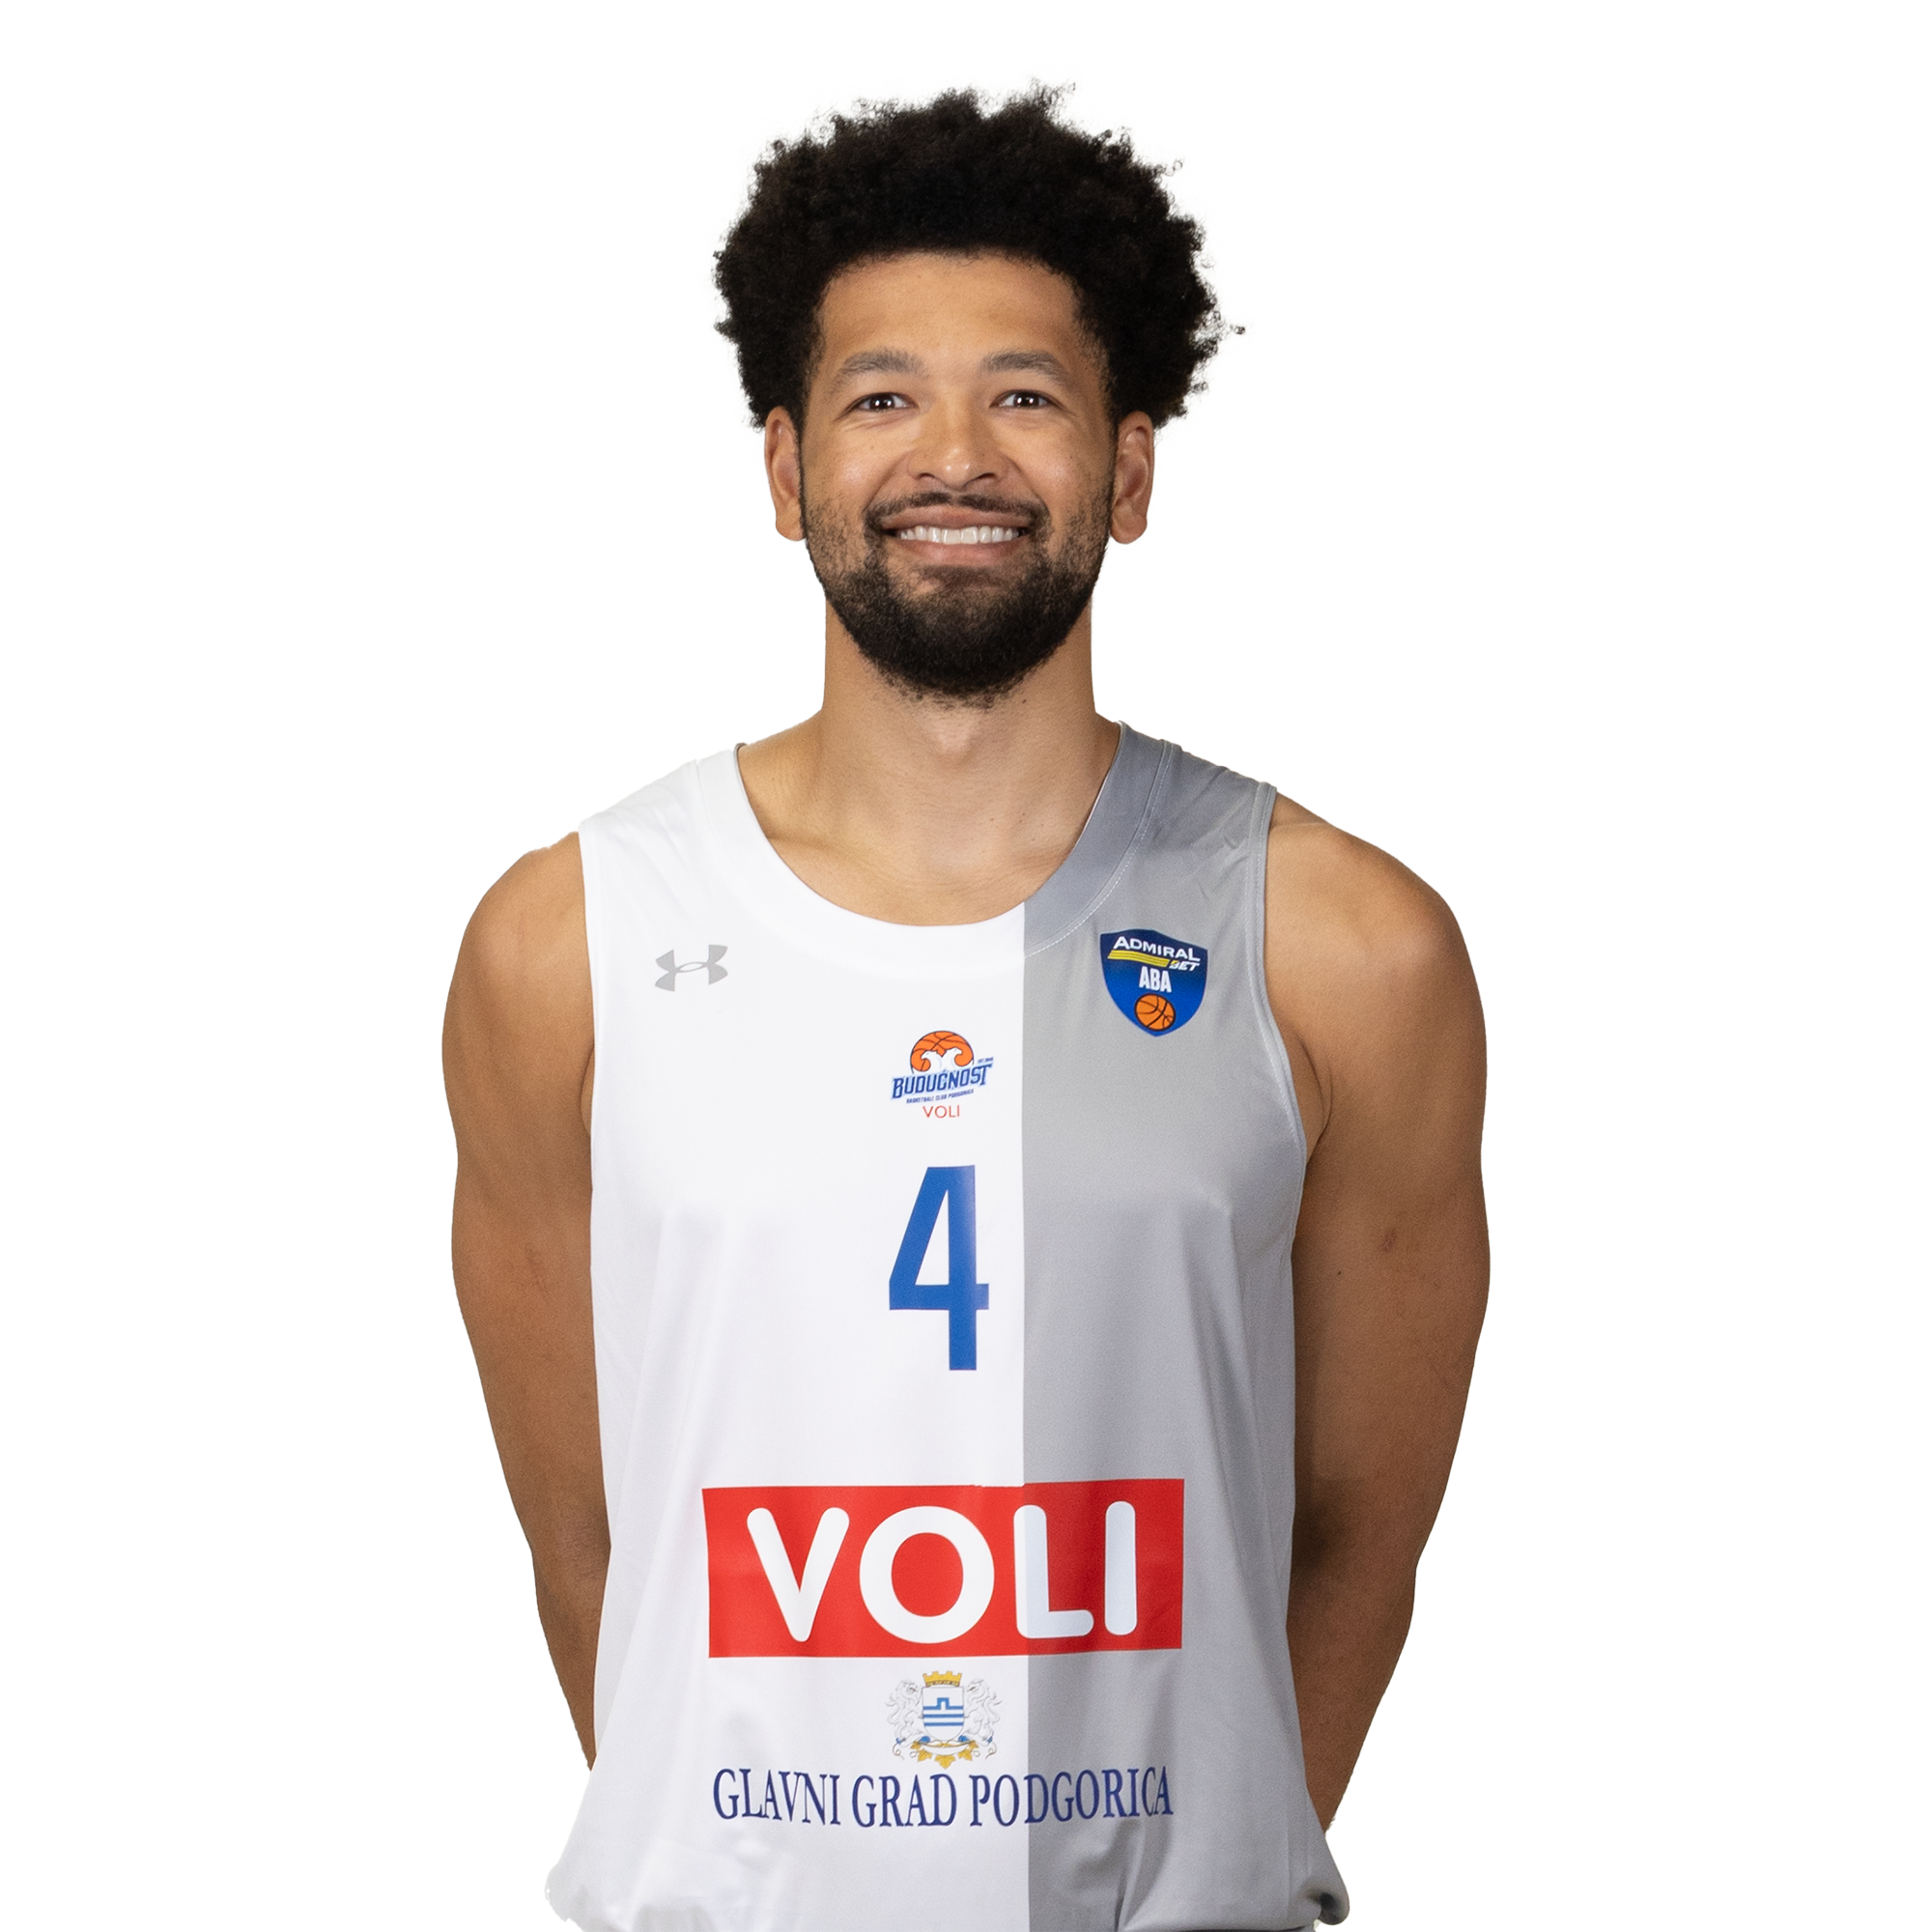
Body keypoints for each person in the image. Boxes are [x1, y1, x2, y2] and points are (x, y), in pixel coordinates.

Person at [444, 78, 1488, 1932]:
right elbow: (593, 1541)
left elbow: (1353, 1537)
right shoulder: (565, 945)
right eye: (880, 399)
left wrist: (1197, 1870)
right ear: (785, 472)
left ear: (1129, 472)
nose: (954, 456)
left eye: (1024, 395)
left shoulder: (1345, 946)